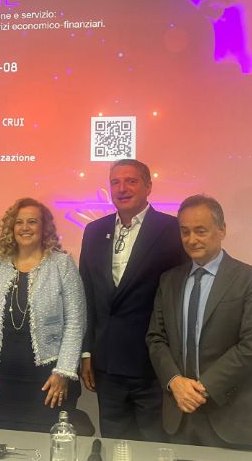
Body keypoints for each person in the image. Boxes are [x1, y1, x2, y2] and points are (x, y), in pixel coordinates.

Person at [146, 195, 252, 450]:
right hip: (180, 415)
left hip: (232, 417)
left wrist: (201, 389)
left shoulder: (250, 280)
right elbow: (156, 338)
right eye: (185, 232)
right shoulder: (169, 281)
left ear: (222, 230)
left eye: (200, 231)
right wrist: (175, 381)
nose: (191, 239)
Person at [79, 159, 184, 441]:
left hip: (152, 365)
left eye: (131, 181)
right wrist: (87, 352)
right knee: (115, 446)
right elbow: (87, 295)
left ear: (148, 187)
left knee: (154, 447)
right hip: (107, 365)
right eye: (115, 182)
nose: (122, 188)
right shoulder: (94, 231)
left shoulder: (172, 230)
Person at [0, 198, 86, 432]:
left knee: (45, 443)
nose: (25, 227)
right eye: (19, 222)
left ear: (44, 227)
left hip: (48, 383)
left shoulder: (62, 265)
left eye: (32, 221)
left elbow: (75, 323)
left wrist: (63, 372)